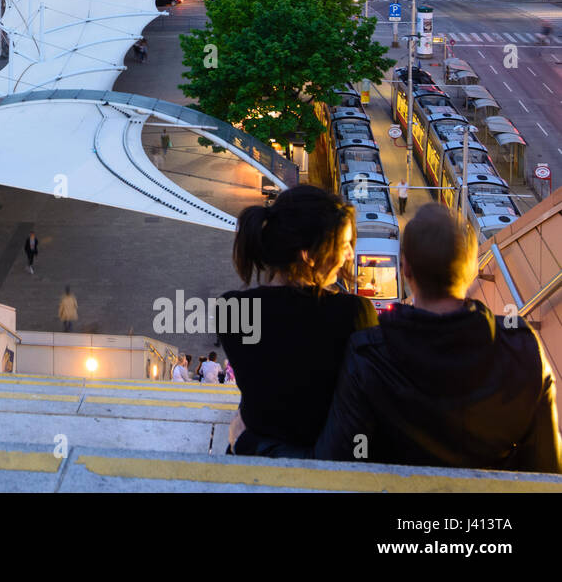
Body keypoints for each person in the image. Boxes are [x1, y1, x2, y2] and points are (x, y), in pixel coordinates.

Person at [315, 204, 562, 473]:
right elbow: (547, 467)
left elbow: (338, 462)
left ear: (406, 269)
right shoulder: (524, 350)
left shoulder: (367, 356)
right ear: (470, 271)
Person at [219, 184, 379, 458]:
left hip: (251, 461)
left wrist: (245, 440)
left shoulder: (232, 309)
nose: (350, 255)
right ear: (308, 254)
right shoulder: (355, 314)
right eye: (343, 245)